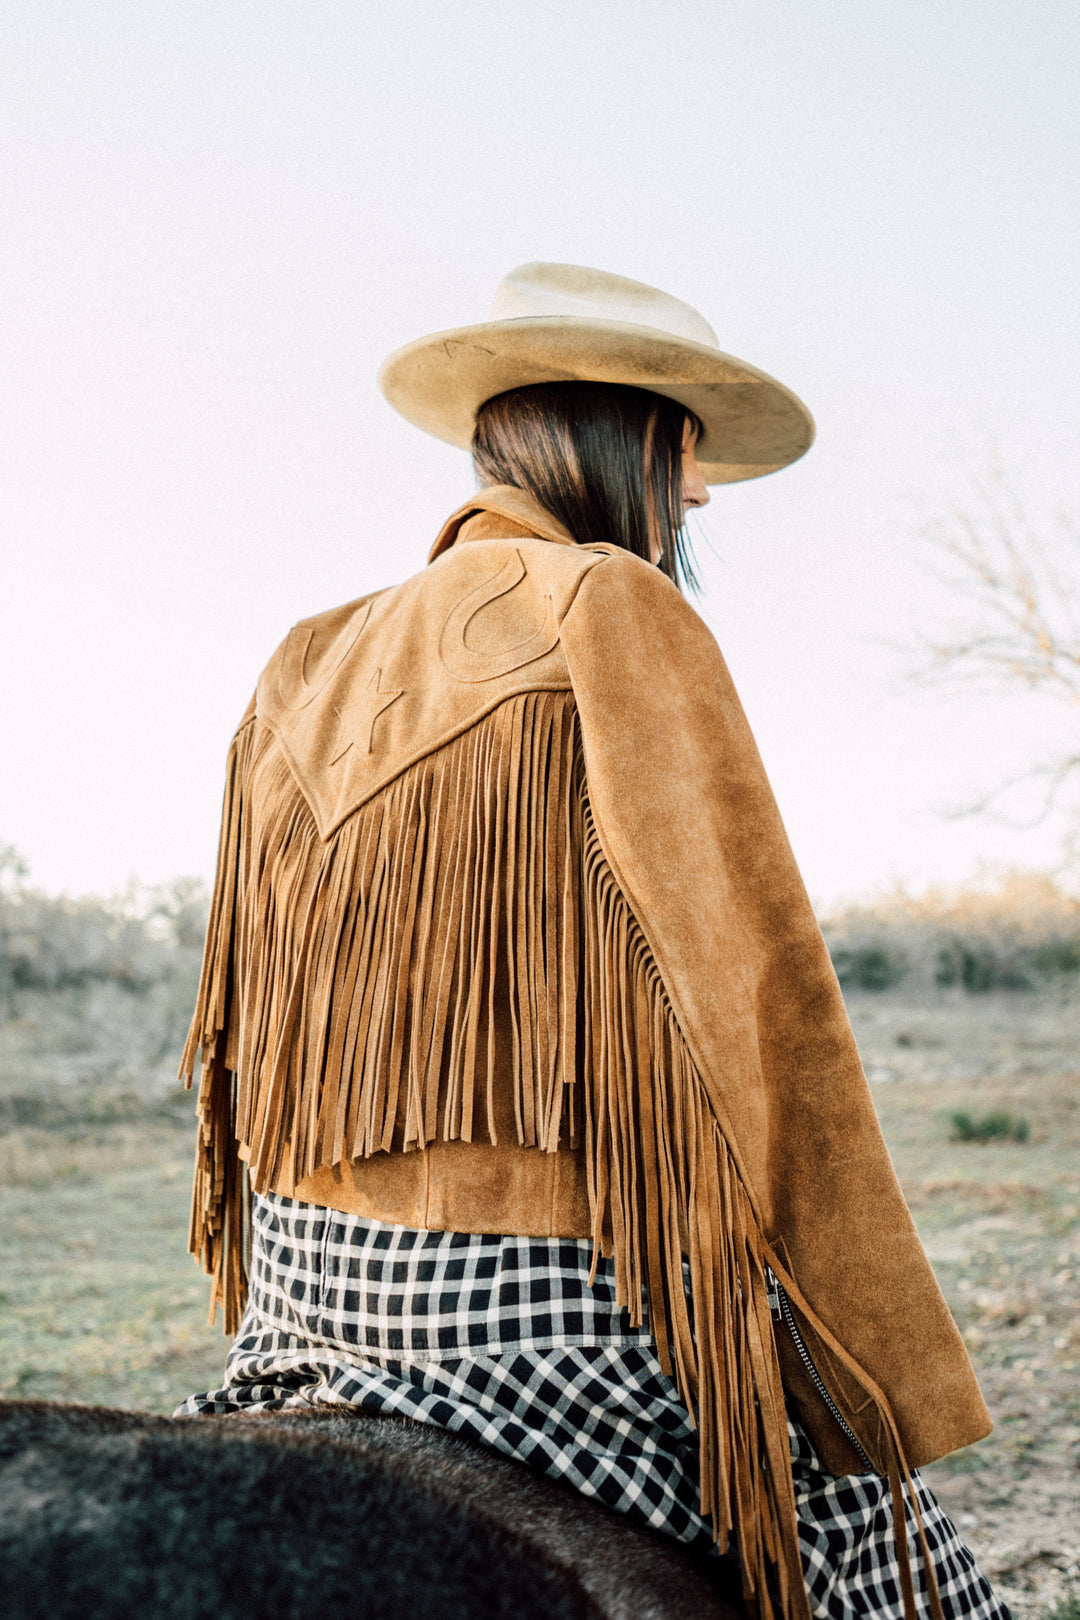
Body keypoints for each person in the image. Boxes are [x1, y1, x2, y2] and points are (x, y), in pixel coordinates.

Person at [177, 263, 1007, 1620]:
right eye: (693, 453)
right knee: (888, 1566)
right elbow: (755, 999)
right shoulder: (613, 606)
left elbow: (243, 997)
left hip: (307, 1276)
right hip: (525, 1294)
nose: (703, 496)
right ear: (636, 438)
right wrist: (871, 1369)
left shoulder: (306, 654)